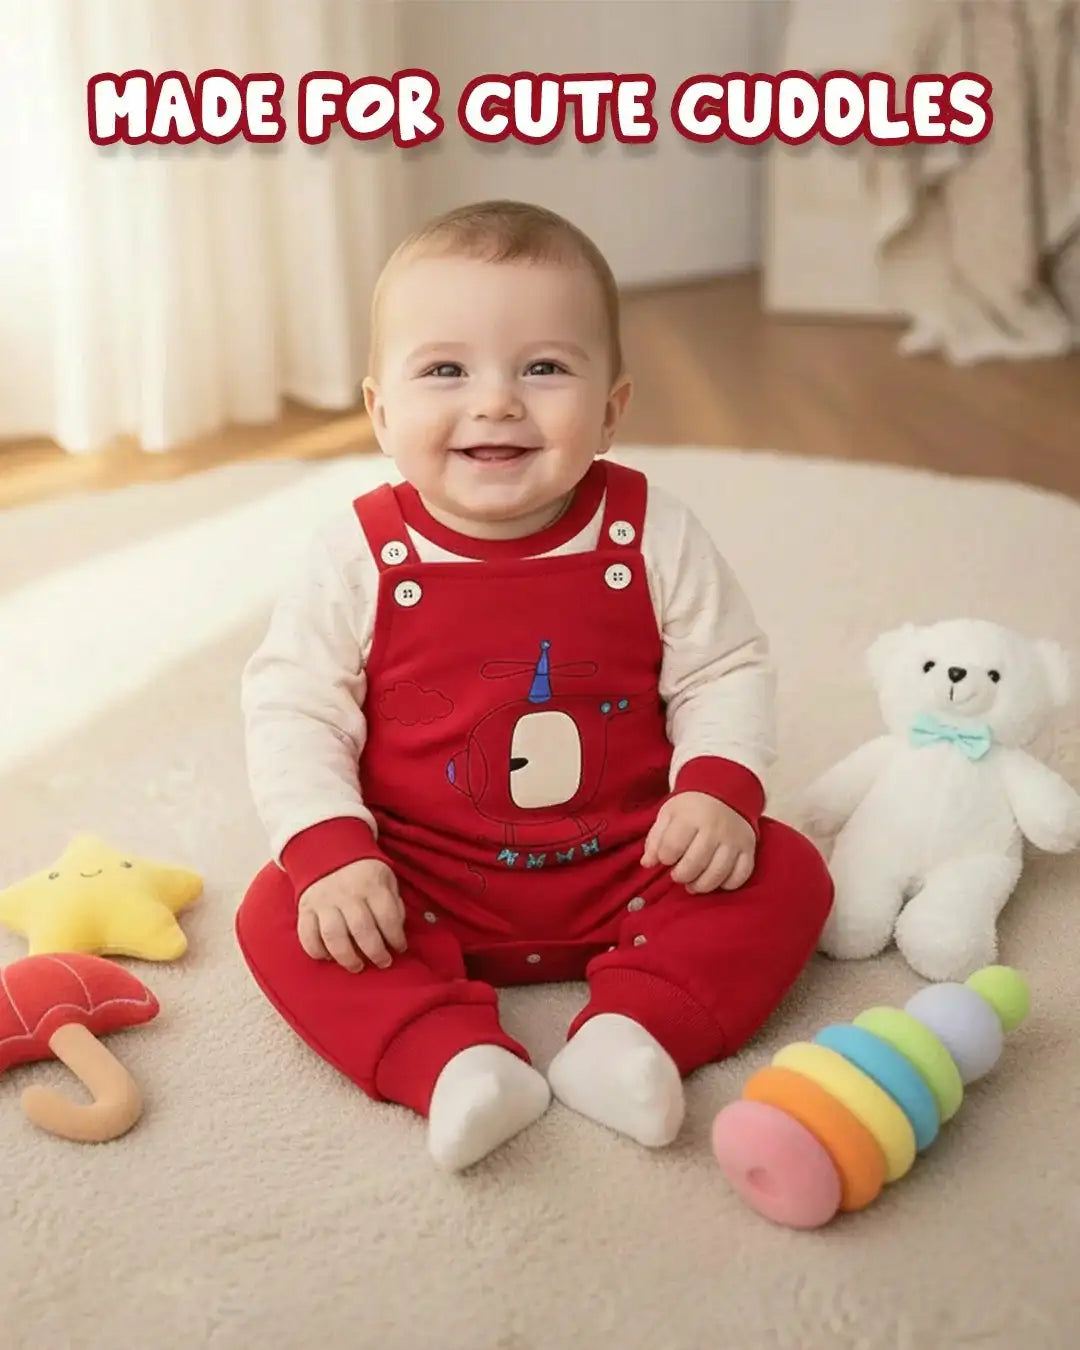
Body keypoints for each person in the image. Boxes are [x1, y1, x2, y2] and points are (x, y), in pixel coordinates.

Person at [236, 198, 833, 1172]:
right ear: (381, 411)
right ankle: (453, 1063)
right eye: (445, 370)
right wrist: (333, 852)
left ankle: (632, 1036)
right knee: (279, 910)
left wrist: (717, 787)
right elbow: (294, 706)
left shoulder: (652, 530)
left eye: (544, 367)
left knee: (786, 868)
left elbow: (724, 667)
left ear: (612, 406)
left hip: (633, 860)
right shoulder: (356, 551)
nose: (498, 401)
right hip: (417, 879)